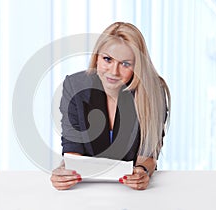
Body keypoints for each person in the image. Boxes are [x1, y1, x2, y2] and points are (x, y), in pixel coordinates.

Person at [50, 22, 171, 190]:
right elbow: (73, 150)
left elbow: (148, 155)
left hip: (132, 192)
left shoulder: (152, 91)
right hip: (88, 189)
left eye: (125, 64)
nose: (114, 71)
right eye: (107, 59)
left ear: (137, 66)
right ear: (97, 57)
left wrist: (142, 172)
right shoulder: (75, 86)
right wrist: (65, 173)